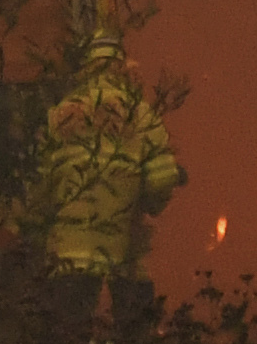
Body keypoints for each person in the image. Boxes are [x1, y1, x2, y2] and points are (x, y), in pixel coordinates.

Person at [38, 27, 184, 326]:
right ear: (122, 66)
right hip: (124, 255)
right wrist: (148, 202)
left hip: (68, 255)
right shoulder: (141, 116)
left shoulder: (61, 114)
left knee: (67, 341)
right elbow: (161, 179)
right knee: (133, 337)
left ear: (86, 67)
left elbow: (41, 183)